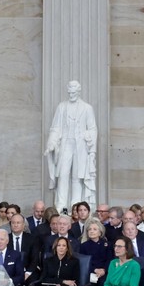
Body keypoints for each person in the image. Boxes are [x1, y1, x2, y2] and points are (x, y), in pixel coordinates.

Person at [46, 80, 98, 215]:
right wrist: (51, 142)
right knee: (63, 174)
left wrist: (92, 150)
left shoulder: (87, 108)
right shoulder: (61, 107)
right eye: (69, 92)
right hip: (65, 144)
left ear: (78, 91)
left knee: (77, 176)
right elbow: (55, 127)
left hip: (80, 145)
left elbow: (93, 129)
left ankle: (76, 206)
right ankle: (61, 205)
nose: (71, 94)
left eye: (74, 92)